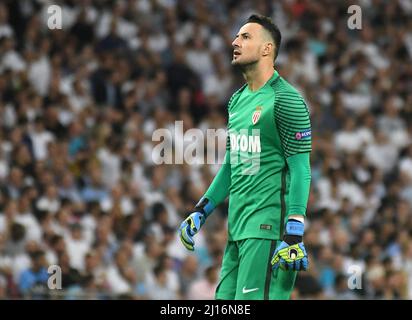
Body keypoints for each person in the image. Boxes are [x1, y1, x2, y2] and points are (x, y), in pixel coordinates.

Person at [179, 14, 312, 300]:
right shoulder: (237, 100)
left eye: (245, 36)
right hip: (237, 229)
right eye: (237, 36)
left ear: (267, 49)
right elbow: (232, 164)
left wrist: (294, 231)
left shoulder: (286, 99)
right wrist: (201, 210)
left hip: (268, 231)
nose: (235, 41)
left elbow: (301, 168)